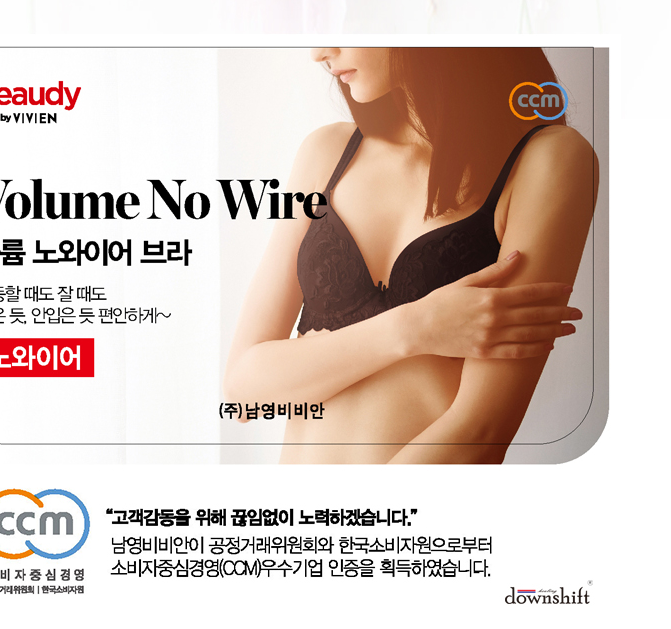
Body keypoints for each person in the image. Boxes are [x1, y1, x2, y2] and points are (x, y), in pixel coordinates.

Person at [225, 42, 598, 466]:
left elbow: (483, 431)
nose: (319, 52)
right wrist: (412, 328)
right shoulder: (327, 152)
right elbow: (242, 392)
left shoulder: (547, 159)